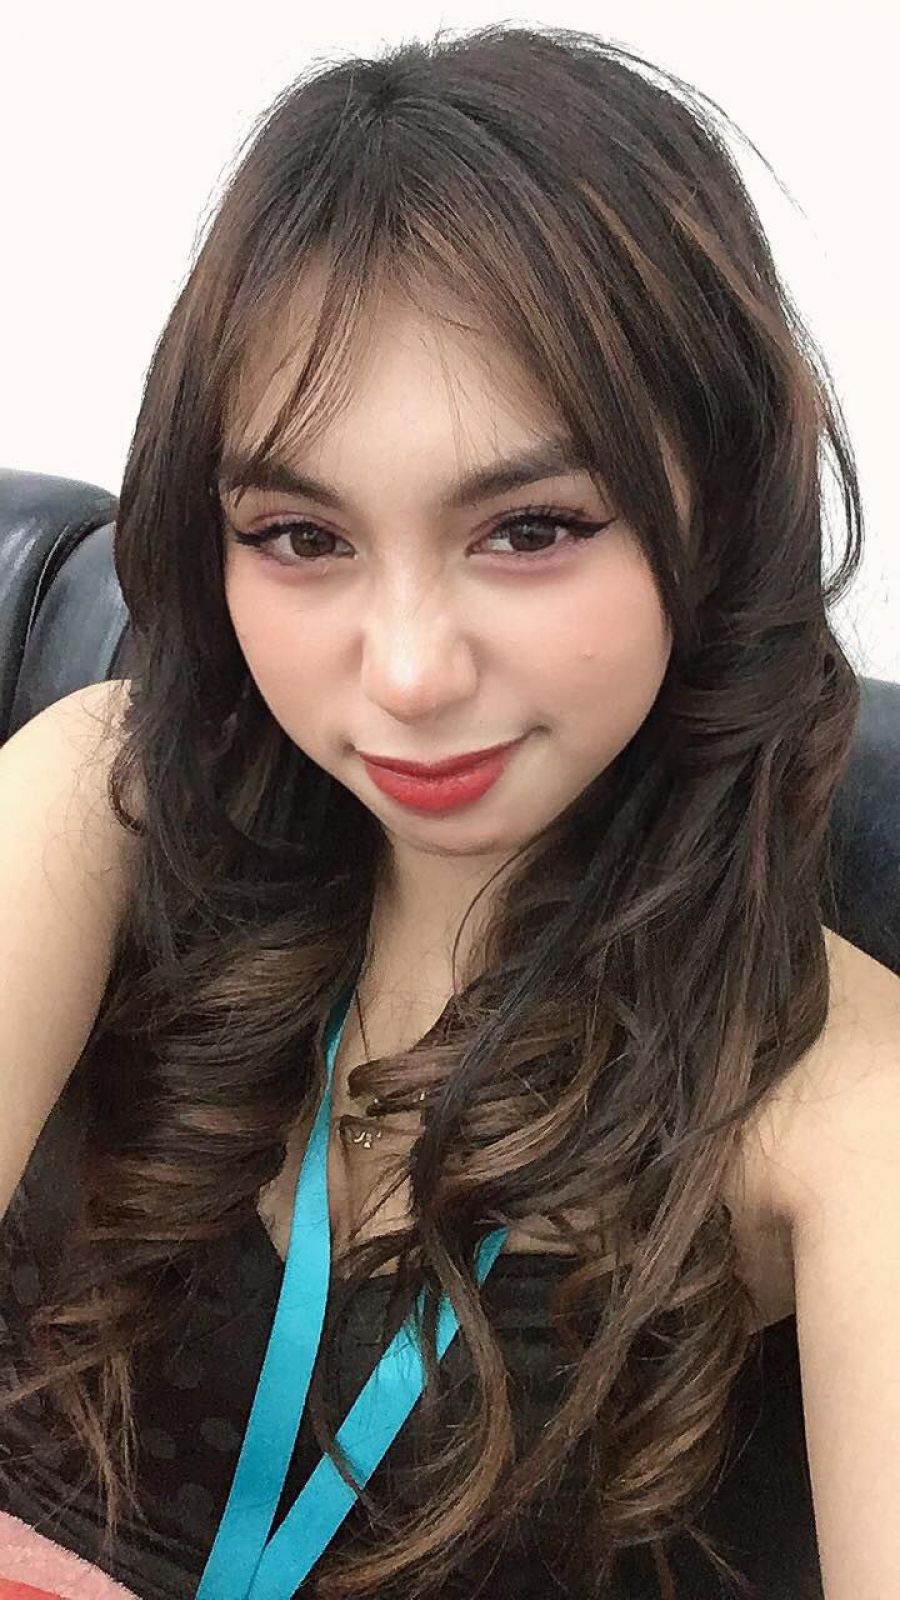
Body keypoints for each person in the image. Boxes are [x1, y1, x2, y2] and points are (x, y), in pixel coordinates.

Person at [0, 19, 883, 1600]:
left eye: (530, 528)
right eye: (302, 537)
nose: (408, 674)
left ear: (722, 506)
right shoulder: (103, 805)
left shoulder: (840, 1103)